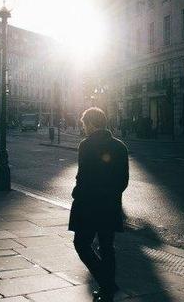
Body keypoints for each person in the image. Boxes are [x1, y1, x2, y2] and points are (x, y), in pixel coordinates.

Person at [69, 107, 129, 302]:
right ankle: (108, 288)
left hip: (88, 206)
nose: (84, 128)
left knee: (81, 244)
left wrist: (77, 193)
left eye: (84, 124)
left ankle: (106, 283)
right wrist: (110, 195)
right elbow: (123, 181)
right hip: (110, 206)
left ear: (92, 124)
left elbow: (83, 176)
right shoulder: (120, 146)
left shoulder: (86, 145)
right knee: (107, 247)